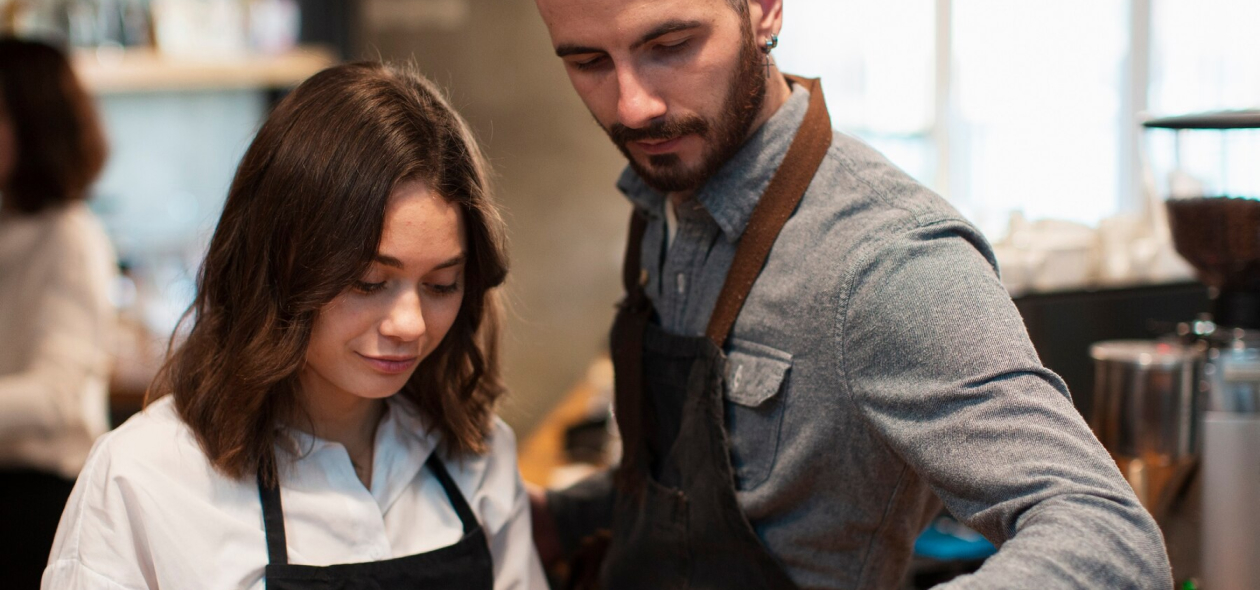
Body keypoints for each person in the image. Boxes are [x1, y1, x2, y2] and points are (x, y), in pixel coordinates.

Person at [528, 1, 1173, 588]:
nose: (632, 108)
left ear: (762, 11)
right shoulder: (666, 189)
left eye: (671, 45)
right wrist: (559, 519)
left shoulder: (889, 257)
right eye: (589, 63)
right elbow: (687, 478)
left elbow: (1109, 535)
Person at [42, 61, 547, 590]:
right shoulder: (143, 478)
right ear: (278, 265)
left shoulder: (476, 456)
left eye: (441, 285)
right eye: (369, 282)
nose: (409, 324)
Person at [0, 37, 117, 590]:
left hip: (43, 495)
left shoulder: (69, 237)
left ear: (33, 122)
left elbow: (53, 399)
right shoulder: (11, 225)